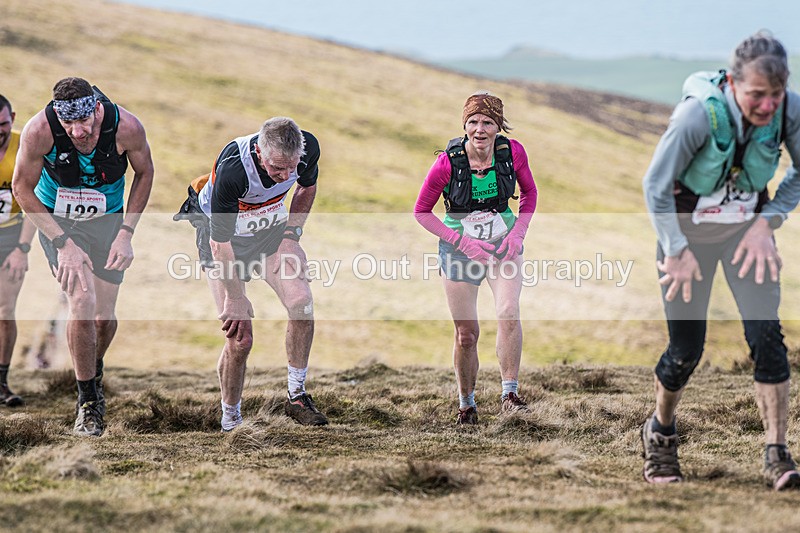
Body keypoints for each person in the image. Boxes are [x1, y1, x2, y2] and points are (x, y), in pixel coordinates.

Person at [642, 32, 800, 490]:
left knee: (767, 337)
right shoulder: (697, 116)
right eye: (756, 95)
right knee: (686, 350)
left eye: (775, 95)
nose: (767, 106)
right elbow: (655, 186)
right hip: (686, 239)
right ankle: (661, 434)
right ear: (733, 83)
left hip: (745, 236)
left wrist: (765, 223)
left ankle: (777, 451)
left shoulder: (789, 110)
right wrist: (675, 250)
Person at [12, 77, 154, 436]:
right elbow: (20, 188)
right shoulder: (39, 130)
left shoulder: (127, 127)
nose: (77, 131)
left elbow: (145, 173)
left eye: (85, 122)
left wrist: (127, 233)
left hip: (108, 221)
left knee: (104, 318)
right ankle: (89, 404)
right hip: (57, 219)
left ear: (97, 109)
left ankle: (90, 369)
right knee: (82, 301)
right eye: (68, 124)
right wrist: (63, 244)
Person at [183, 117, 327, 431]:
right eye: (277, 168)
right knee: (240, 338)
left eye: (291, 167)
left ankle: (297, 395)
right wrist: (236, 299)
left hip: (270, 234)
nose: (284, 176)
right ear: (260, 153)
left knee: (301, 303)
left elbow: (307, 185)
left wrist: (292, 235)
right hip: (222, 240)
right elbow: (220, 244)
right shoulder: (234, 170)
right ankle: (231, 419)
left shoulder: (307, 148)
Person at [414, 91, 537, 425]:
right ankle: (466, 404)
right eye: (473, 122)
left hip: (503, 245)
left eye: (487, 122)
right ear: (464, 125)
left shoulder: (512, 154)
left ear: (498, 126)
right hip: (459, 250)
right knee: (466, 334)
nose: (479, 129)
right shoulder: (447, 163)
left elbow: (530, 194)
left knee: (509, 311)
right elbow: (421, 212)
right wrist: (464, 244)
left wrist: (517, 234)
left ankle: (509, 394)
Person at [0, 95, 36, 407]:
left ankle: (1, 382)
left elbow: (32, 204)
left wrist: (22, 249)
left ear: (12, 117)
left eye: (3, 124)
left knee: (4, 309)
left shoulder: (22, 147)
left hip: (11, 238)